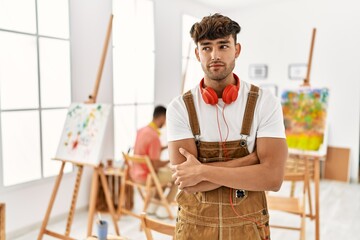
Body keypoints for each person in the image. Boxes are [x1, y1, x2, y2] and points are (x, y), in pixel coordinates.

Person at [167, 13, 288, 239]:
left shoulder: (265, 102)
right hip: (194, 228)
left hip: (249, 227)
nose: (215, 55)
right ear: (197, 53)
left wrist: (202, 170)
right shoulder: (179, 108)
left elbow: (273, 178)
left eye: (223, 46)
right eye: (206, 47)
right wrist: (250, 162)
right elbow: (188, 182)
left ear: (237, 49)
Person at [129, 105, 177, 218]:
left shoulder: (142, 131)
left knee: (165, 173)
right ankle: (164, 208)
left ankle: (153, 206)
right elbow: (155, 164)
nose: (165, 124)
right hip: (147, 177)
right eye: (165, 120)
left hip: (135, 173)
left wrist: (165, 147)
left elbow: (146, 151)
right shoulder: (154, 137)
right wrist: (169, 160)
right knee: (177, 176)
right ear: (161, 118)